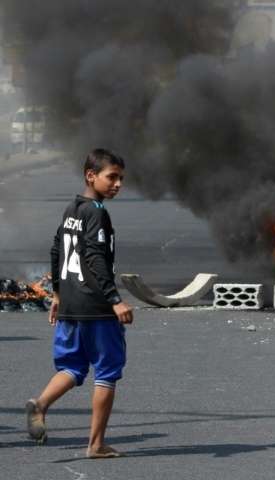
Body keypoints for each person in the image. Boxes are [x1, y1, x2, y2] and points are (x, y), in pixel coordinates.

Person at [26, 148, 134, 458]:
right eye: (111, 177)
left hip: (71, 305)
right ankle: (96, 445)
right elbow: (95, 257)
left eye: (121, 179)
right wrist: (115, 300)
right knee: (107, 372)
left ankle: (40, 404)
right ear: (91, 175)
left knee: (72, 367)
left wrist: (58, 294)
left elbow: (56, 249)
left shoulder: (72, 209)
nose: (118, 184)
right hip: (96, 307)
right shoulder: (96, 212)